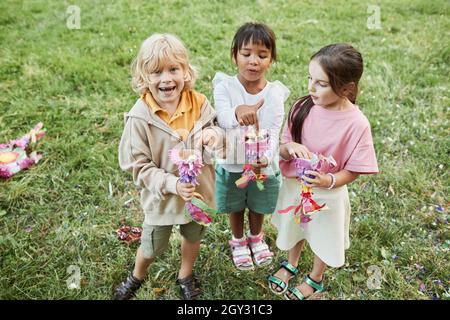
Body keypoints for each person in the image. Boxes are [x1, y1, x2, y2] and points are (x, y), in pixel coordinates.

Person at [114, 33, 222, 300]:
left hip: (197, 194)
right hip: (161, 199)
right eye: (156, 72)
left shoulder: (198, 103)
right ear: (144, 77)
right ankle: (137, 275)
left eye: (174, 69)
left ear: (185, 71)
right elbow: (138, 165)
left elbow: (217, 134)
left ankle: (185, 274)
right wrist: (172, 184)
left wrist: (214, 137)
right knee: (151, 245)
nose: (166, 79)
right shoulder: (140, 117)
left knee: (192, 236)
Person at [269, 43, 379, 300]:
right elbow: (283, 147)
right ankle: (291, 263)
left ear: (346, 89)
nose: (310, 87)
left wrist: (329, 179)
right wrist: (291, 148)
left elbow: (353, 170)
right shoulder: (302, 108)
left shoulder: (357, 124)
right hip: (296, 188)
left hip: (328, 196)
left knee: (322, 236)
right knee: (296, 228)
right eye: (310, 78)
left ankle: (315, 278)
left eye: (321, 83)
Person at [213, 22, 290, 270]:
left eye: (262, 55)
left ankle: (256, 237)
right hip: (232, 161)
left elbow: (275, 131)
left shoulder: (274, 95)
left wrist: (265, 158)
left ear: (271, 60)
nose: (253, 61)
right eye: (246, 54)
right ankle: (237, 239)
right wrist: (239, 112)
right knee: (235, 205)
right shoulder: (224, 87)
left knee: (258, 204)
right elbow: (222, 118)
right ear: (234, 56)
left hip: (262, 165)